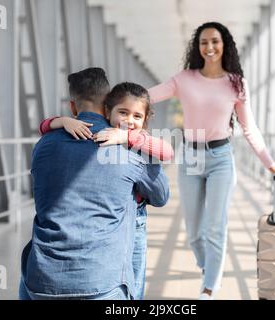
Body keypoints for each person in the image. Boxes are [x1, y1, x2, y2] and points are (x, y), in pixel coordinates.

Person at [145, 22, 275, 300]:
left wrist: (270, 165)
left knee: (215, 227)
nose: (209, 47)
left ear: (224, 44)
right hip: (190, 158)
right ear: (197, 46)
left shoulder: (236, 83)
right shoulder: (183, 79)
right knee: (193, 233)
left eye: (215, 41)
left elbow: (250, 128)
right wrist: (110, 102)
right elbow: (146, 97)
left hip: (221, 158)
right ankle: (208, 267)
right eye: (203, 42)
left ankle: (209, 288)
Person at [19, 68, 169, 300]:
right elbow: (161, 196)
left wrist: (58, 122)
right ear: (108, 105)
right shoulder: (128, 149)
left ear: (72, 107)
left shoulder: (44, 145)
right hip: (102, 283)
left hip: (41, 281)